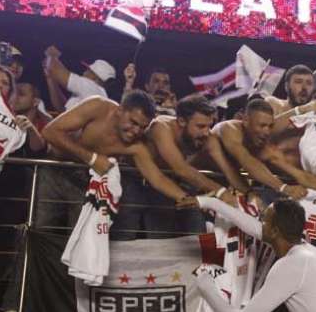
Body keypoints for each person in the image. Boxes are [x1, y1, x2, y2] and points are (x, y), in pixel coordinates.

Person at [39, 91, 191, 230]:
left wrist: (190, 199)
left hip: (86, 182)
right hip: (54, 171)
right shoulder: (97, 106)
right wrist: (91, 158)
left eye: (142, 127)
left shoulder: (135, 146)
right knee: (40, 229)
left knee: (80, 238)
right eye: (133, 122)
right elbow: (49, 132)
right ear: (120, 110)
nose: (136, 131)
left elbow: (157, 178)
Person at [113, 94, 244, 239]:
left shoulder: (208, 138)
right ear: (181, 121)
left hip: (167, 187)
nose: (206, 132)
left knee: (177, 235)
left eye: (209, 125)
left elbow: (228, 170)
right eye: (200, 126)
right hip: (134, 182)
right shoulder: (161, 127)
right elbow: (180, 168)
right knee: (125, 235)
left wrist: (249, 194)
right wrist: (220, 192)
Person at [213, 98, 316, 201]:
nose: (266, 132)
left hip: (219, 186)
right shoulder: (228, 129)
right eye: (262, 125)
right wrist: (284, 188)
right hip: (199, 182)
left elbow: (301, 176)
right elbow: (246, 160)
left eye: (270, 126)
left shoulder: (263, 148)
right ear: (245, 121)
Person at [44, 45, 115, 111]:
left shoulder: (90, 87)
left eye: (89, 71)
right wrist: (50, 78)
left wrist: (52, 55)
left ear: (95, 78)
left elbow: (54, 67)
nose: (84, 72)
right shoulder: (97, 94)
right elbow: (61, 107)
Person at [11, 83, 50, 157]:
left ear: (35, 102)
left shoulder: (44, 126)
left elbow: (39, 151)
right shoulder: (7, 119)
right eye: (14, 93)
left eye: (21, 94)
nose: (14, 97)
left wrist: (30, 128)